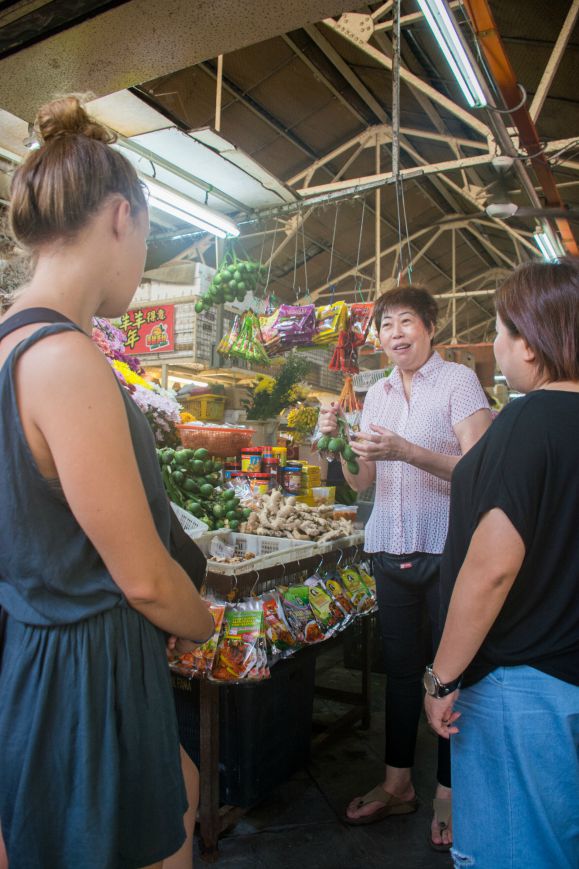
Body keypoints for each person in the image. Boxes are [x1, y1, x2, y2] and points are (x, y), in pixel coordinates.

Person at [0, 95, 214, 868]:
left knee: (178, 793)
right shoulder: (64, 358)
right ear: (122, 217)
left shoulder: (9, 349)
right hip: (90, 674)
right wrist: (208, 625)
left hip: (35, 655)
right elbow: (148, 581)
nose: (142, 262)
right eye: (149, 236)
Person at [319, 285, 491, 849]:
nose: (395, 333)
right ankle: (398, 785)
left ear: (431, 326)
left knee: (448, 674)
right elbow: (361, 481)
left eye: (406, 321)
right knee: (397, 672)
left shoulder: (459, 382)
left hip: (446, 550)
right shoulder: (375, 394)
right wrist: (336, 444)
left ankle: (446, 789)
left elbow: (480, 470)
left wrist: (409, 452)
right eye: (386, 324)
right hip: (390, 546)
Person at [425, 259, 579, 869]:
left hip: (519, 684)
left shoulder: (525, 421)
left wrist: (442, 677)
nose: (494, 345)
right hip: (568, 678)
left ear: (532, 345)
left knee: (512, 852)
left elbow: (491, 569)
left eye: (499, 330)